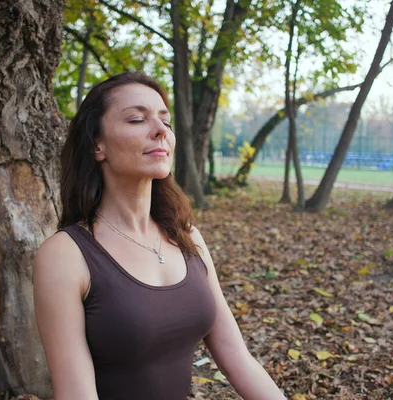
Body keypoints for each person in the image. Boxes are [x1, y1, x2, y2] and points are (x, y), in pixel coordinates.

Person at [33, 72, 286, 400]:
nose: (160, 131)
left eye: (165, 121)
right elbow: (73, 393)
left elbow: (238, 357)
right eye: (137, 119)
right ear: (98, 144)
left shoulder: (187, 237)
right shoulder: (65, 254)